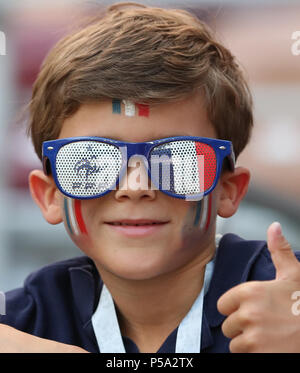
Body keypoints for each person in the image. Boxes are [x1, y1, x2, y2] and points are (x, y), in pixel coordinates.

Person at [1, 2, 300, 353]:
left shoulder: (283, 294)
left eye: (175, 159)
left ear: (227, 190)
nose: (135, 187)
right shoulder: (33, 317)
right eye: (91, 161)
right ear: (49, 196)